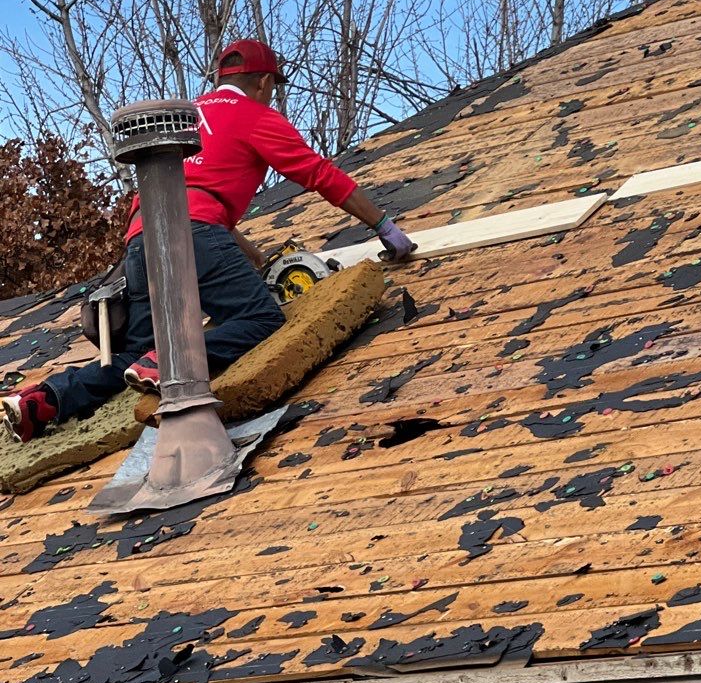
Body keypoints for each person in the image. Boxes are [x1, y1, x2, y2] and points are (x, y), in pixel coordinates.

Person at [3, 39, 416, 444]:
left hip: (140, 241)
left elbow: (196, 196)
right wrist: (383, 226)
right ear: (265, 83)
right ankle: (170, 361)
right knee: (262, 320)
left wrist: (256, 259)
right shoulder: (255, 115)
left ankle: (45, 399)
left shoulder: (181, 115)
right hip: (195, 233)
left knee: (135, 356)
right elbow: (319, 175)